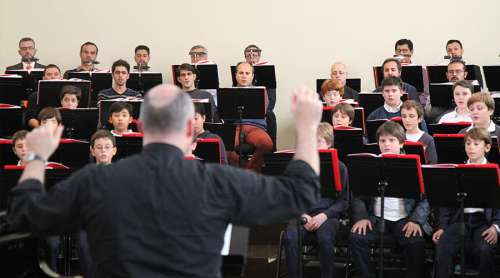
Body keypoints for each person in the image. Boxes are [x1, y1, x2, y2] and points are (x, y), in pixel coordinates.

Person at [8, 83, 323, 278]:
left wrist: (36, 158)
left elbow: (25, 214)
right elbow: (301, 192)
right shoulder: (218, 181)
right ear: (190, 129)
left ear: (140, 127)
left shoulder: (96, 180)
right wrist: (307, 128)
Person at [349, 121, 430, 278]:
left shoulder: (413, 165)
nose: (386, 144)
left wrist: (416, 220)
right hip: (376, 218)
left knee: (415, 242)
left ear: (401, 143)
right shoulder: (369, 165)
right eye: (382, 141)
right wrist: (362, 217)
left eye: (391, 140)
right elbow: (357, 195)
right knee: (356, 238)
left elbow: (426, 199)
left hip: (405, 219)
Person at [283, 122, 348, 278]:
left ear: (329, 144)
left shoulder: (340, 167)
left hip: (327, 215)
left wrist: (324, 215)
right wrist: (303, 215)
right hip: (302, 213)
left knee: (325, 238)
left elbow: (344, 201)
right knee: (290, 238)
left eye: (318, 141)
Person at [433, 127, 500, 278]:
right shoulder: (456, 170)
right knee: (443, 246)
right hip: (459, 220)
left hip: (484, 222)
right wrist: (442, 227)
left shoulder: (495, 171)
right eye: (468, 143)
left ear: (487, 147)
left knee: (485, 249)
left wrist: (496, 227)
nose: (471, 147)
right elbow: (446, 204)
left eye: (476, 144)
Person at [227, 62, 274, 171]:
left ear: (252, 76)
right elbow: (225, 117)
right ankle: (245, 170)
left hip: (256, 128)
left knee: (266, 144)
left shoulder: (262, 92)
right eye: (241, 73)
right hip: (235, 128)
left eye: (247, 73)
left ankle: (248, 170)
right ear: (236, 75)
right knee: (223, 146)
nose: (244, 76)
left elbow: (265, 110)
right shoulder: (228, 92)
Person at [25, 64, 63, 128]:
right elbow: (30, 119)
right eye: (49, 74)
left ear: (61, 78)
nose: (53, 77)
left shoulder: (67, 95)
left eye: (56, 74)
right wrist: (43, 128)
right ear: (43, 78)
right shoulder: (35, 96)